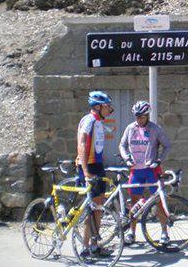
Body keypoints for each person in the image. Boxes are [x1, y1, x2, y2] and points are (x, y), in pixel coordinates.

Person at [119, 100, 171, 245]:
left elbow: (167, 146)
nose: (139, 119)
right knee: (135, 203)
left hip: (151, 171)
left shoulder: (155, 129)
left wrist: (159, 160)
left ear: (147, 115)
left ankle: (164, 232)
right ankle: (131, 232)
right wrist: (127, 158)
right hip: (136, 171)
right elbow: (122, 145)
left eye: (141, 116)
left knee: (159, 202)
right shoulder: (130, 128)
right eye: (137, 116)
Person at [75, 91, 114, 257]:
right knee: (91, 209)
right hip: (88, 167)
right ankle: (84, 248)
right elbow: (82, 145)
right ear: (97, 106)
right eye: (107, 106)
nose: (110, 109)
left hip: (97, 166)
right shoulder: (89, 120)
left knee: (98, 208)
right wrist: (84, 171)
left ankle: (95, 245)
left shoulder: (98, 121)